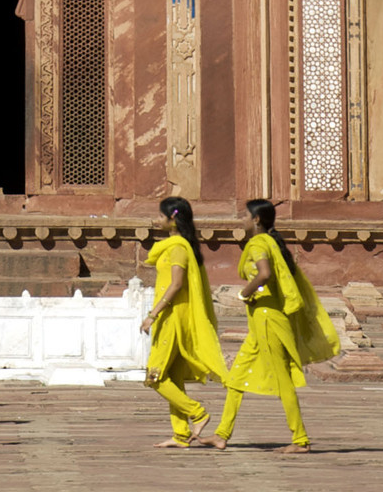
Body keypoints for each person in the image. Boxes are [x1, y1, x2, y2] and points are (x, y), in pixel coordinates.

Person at [199, 199, 339, 455]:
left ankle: (300, 440)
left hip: (268, 321)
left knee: (282, 380)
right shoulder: (272, 243)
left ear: (256, 220)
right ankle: (221, 434)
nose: (241, 220)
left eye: (245, 216)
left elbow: (264, 274)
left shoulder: (258, 243)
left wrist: (244, 293)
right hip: (263, 321)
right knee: (236, 376)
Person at [140, 195, 227, 448]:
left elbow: (176, 284)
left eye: (160, 216)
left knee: (154, 377)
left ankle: (197, 412)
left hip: (173, 318)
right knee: (173, 377)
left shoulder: (178, 248)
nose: (157, 220)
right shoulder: (173, 246)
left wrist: (152, 314)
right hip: (171, 315)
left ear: (173, 218)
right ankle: (180, 435)